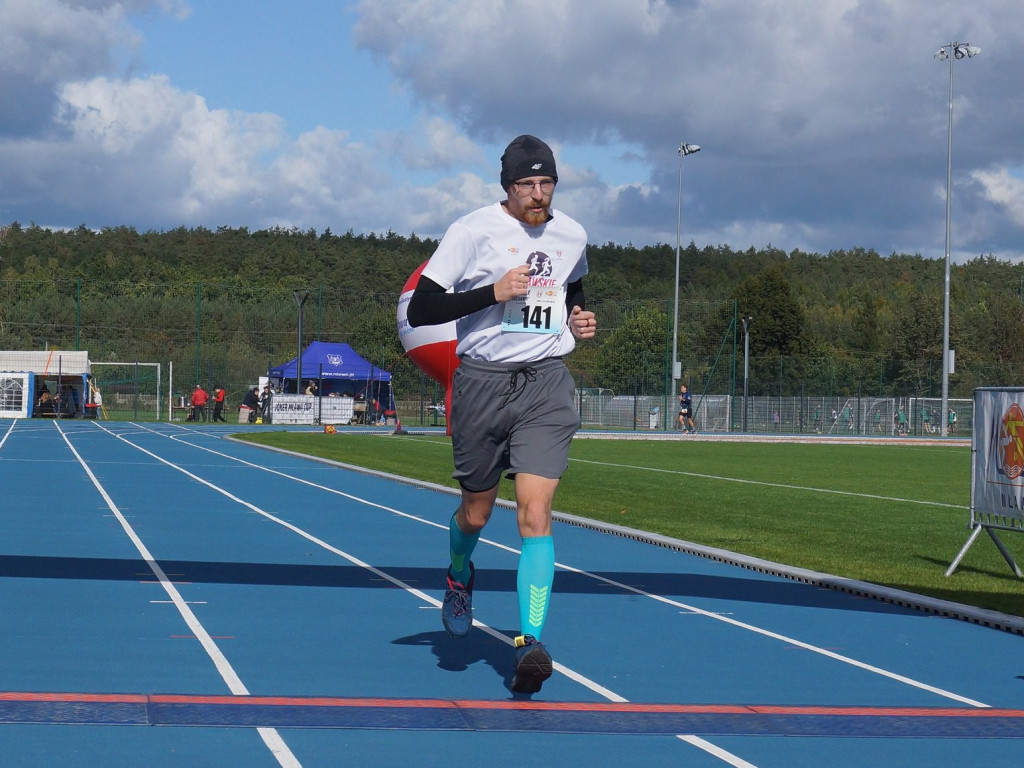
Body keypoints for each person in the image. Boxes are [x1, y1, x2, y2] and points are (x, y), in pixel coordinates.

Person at [407, 134, 596, 694]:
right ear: (507, 188)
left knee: (535, 515)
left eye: (546, 184)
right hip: (482, 383)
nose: (538, 195)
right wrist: (492, 291)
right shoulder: (472, 231)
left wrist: (580, 320)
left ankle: (529, 641)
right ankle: (460, 572)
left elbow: (574, 286)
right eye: (527, 186)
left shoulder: (572, 234)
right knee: (477, 514)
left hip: (545, 383)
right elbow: (423, 308)